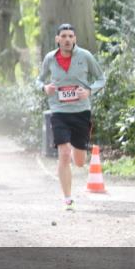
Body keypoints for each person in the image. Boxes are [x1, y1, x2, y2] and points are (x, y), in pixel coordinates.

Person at [36, 23, 105, 211]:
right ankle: (67, 198)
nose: (67, 39)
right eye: (64, 36)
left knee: (80, 161)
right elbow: (39, 79)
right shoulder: (50, 58)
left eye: (70, 36)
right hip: (58, 112)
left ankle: (78, 149)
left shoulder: (85, 56)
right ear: (57, 39)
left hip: (81, 112)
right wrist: (44, 88)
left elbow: (101, 78)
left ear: (75, 39)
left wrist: (89, 91)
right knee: (64, 154)